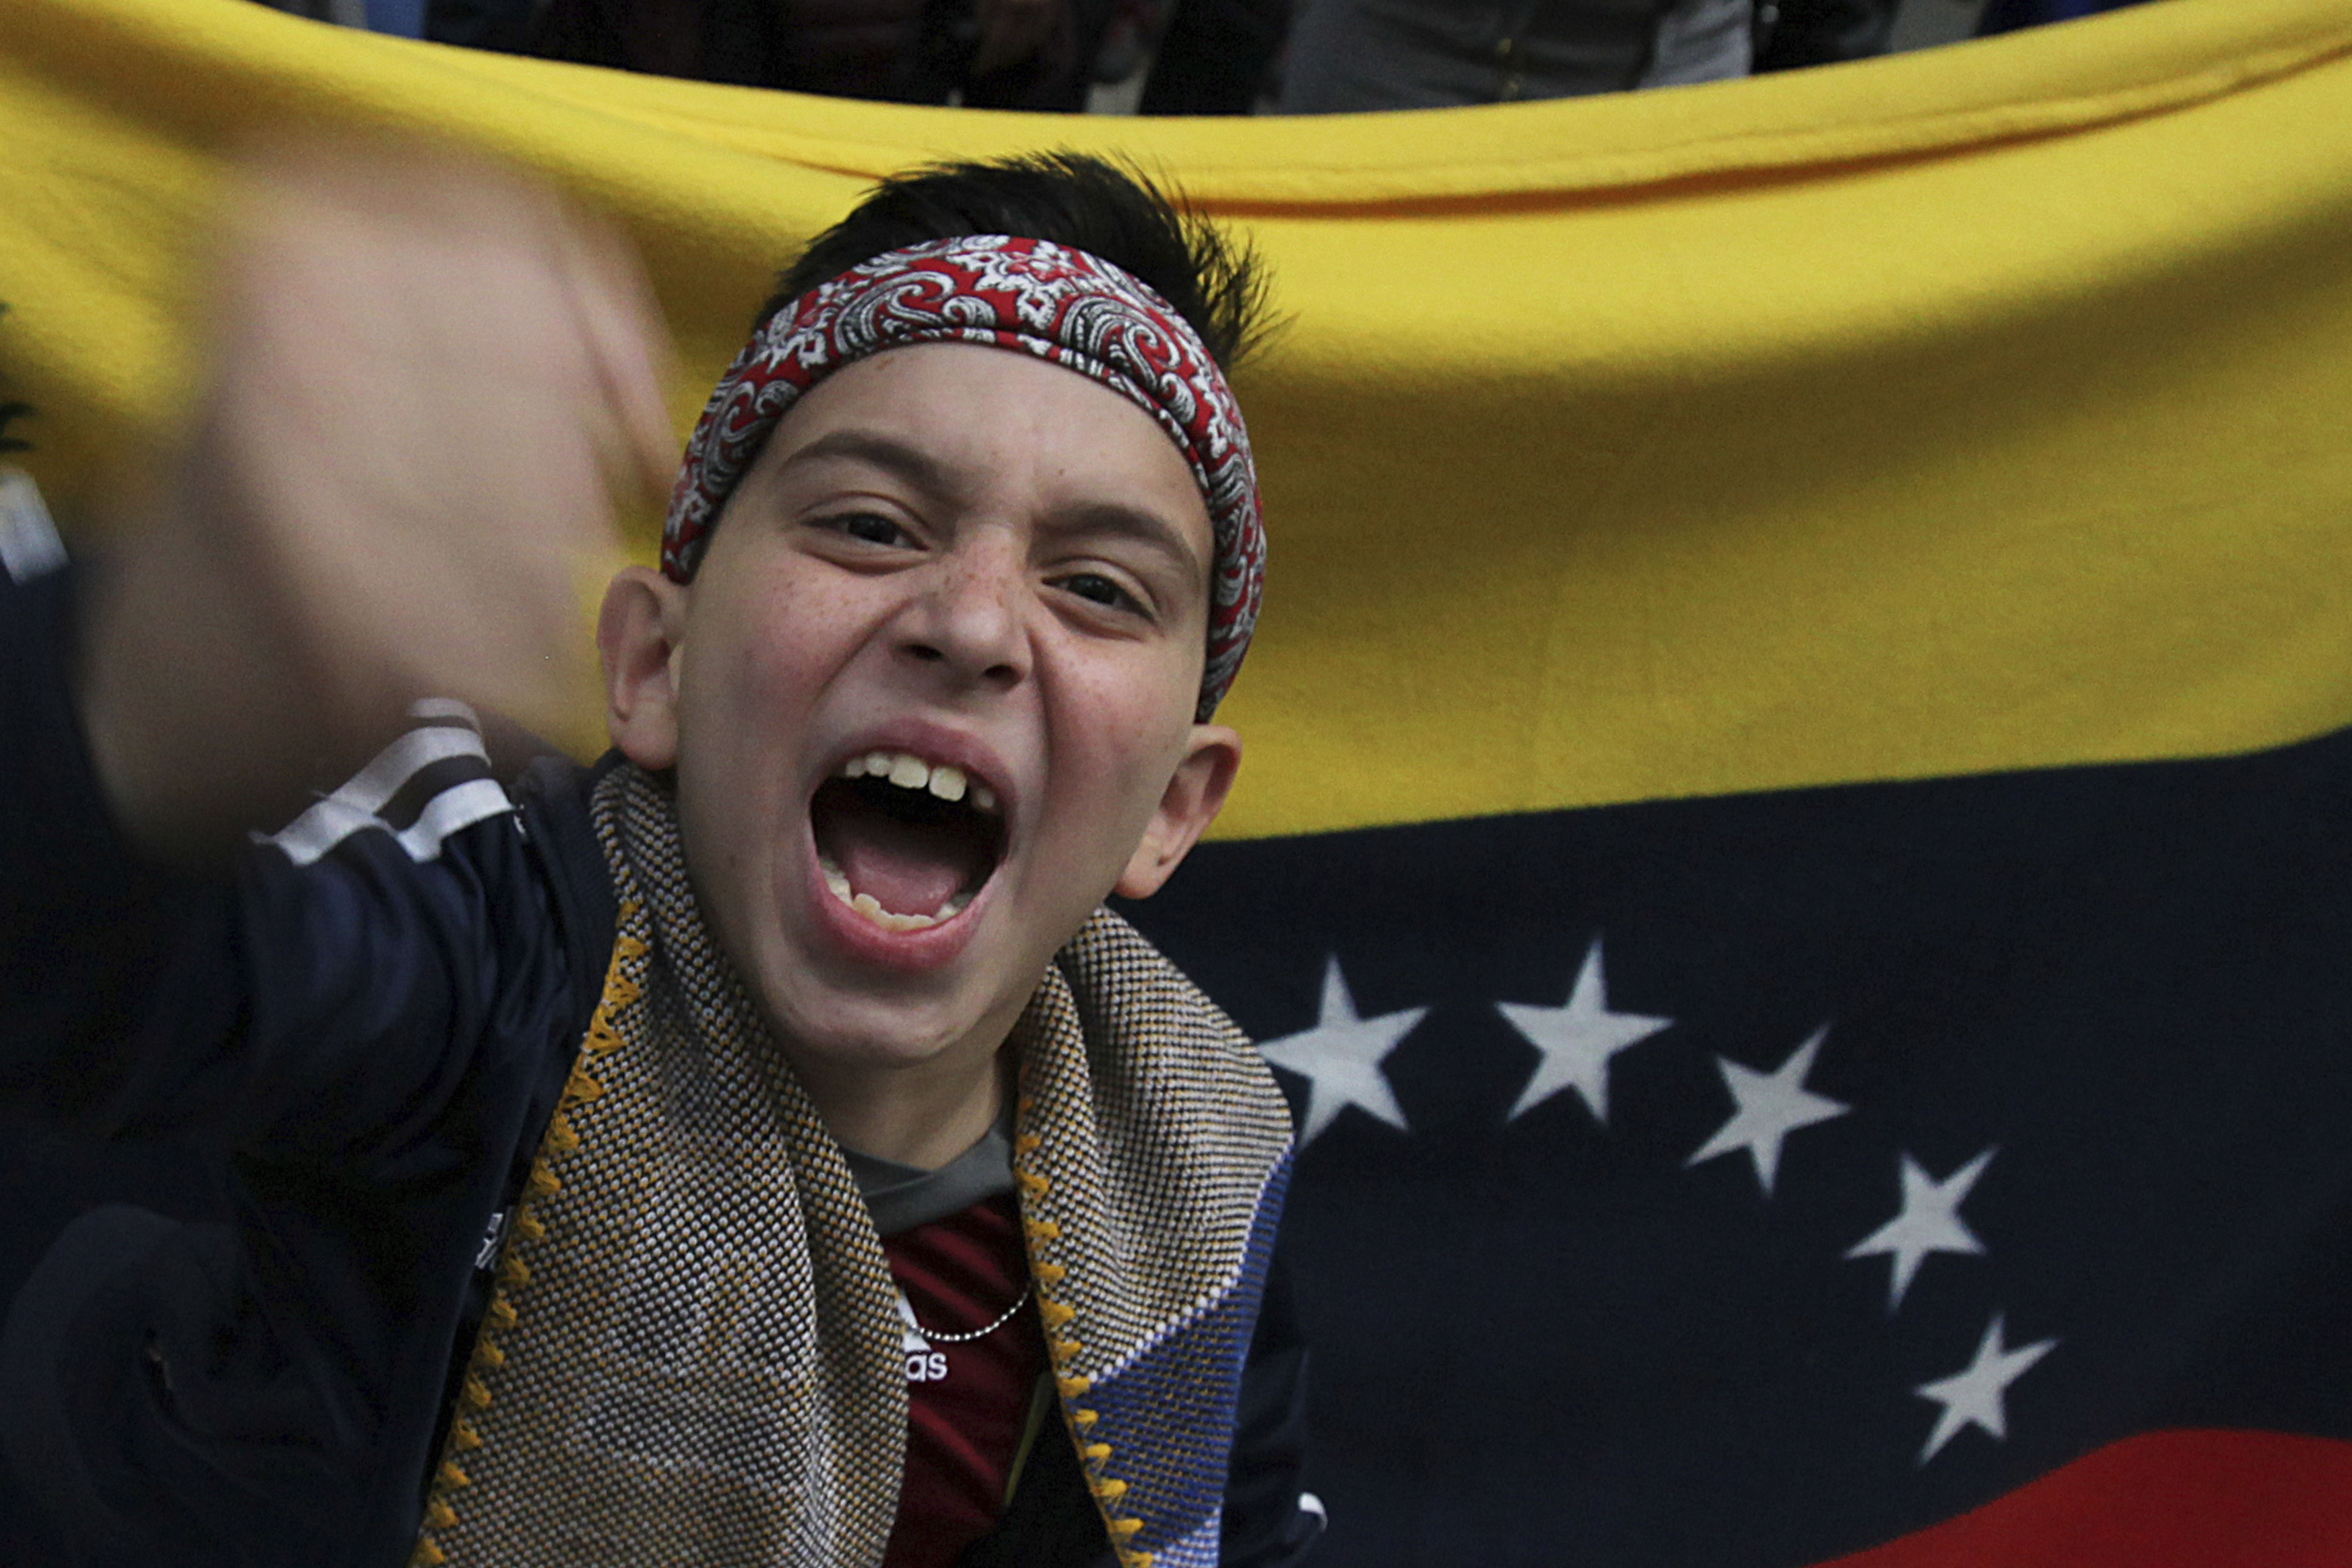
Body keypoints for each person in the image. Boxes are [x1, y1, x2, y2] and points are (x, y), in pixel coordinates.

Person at [0, 142, 1318, 1568]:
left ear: (1175, 808)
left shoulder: (1201, 1178)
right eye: (872, 525)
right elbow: (91, 960)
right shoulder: (483, 961)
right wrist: (185, 657)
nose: (975, 623)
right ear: (653, 670)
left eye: (1099, 587)